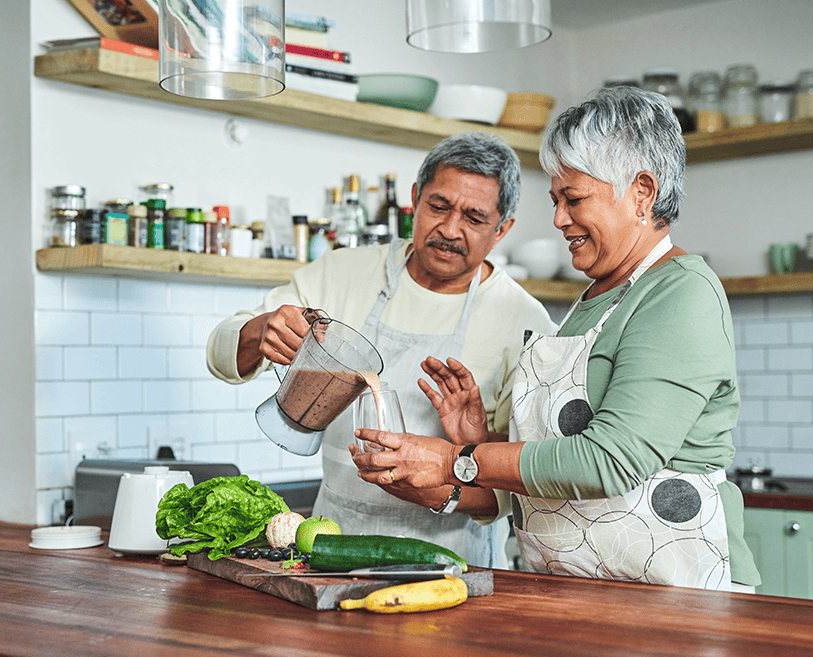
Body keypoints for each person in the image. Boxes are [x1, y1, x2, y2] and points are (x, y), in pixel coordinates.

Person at [353, 87, 761, 592]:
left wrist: (451, 459)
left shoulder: (682, 294)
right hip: (577, 591)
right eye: (555, 200)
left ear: (641, 192)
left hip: (671, 597)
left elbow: (610, 461)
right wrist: (477, 439)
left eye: (574, 199)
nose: (559, 219)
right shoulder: (593, 301)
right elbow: (553, 463)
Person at [207, 132, 556, 568]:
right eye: (439, 206)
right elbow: (221, 354)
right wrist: (261, 330)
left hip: (455, 562)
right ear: (414, 197)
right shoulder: (341, 273)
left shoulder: (524, 323)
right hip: (329, 551)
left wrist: (435, 489)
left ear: (503, 228)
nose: (450, 229)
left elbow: (515, 490)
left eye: (474, 218)